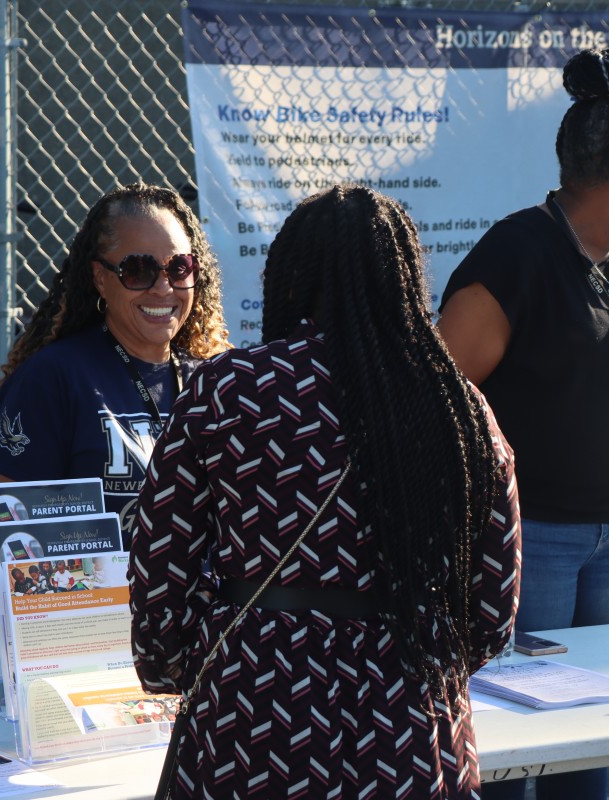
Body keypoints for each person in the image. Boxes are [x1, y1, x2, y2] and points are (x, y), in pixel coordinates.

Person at [129, 185, 520, 799]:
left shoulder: (228, 391)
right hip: (408, 727)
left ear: (288, 277)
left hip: (253, 713)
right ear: (404, 282)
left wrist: (182, 664)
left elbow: (160, 565)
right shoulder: (459, 408)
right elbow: (492, 609)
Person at [438, 47, 609, 799]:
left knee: (589, 734)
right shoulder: (515, 255)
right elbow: (440, 397)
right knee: (514, 739)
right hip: (529, 536)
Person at [0, 183, 231, 543]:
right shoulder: (52, 378)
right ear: (101, 278)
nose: (163, 288)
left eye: (179, 268)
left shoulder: (215, 381)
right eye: (138, 270)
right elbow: (20, 533)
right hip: (95, 596)